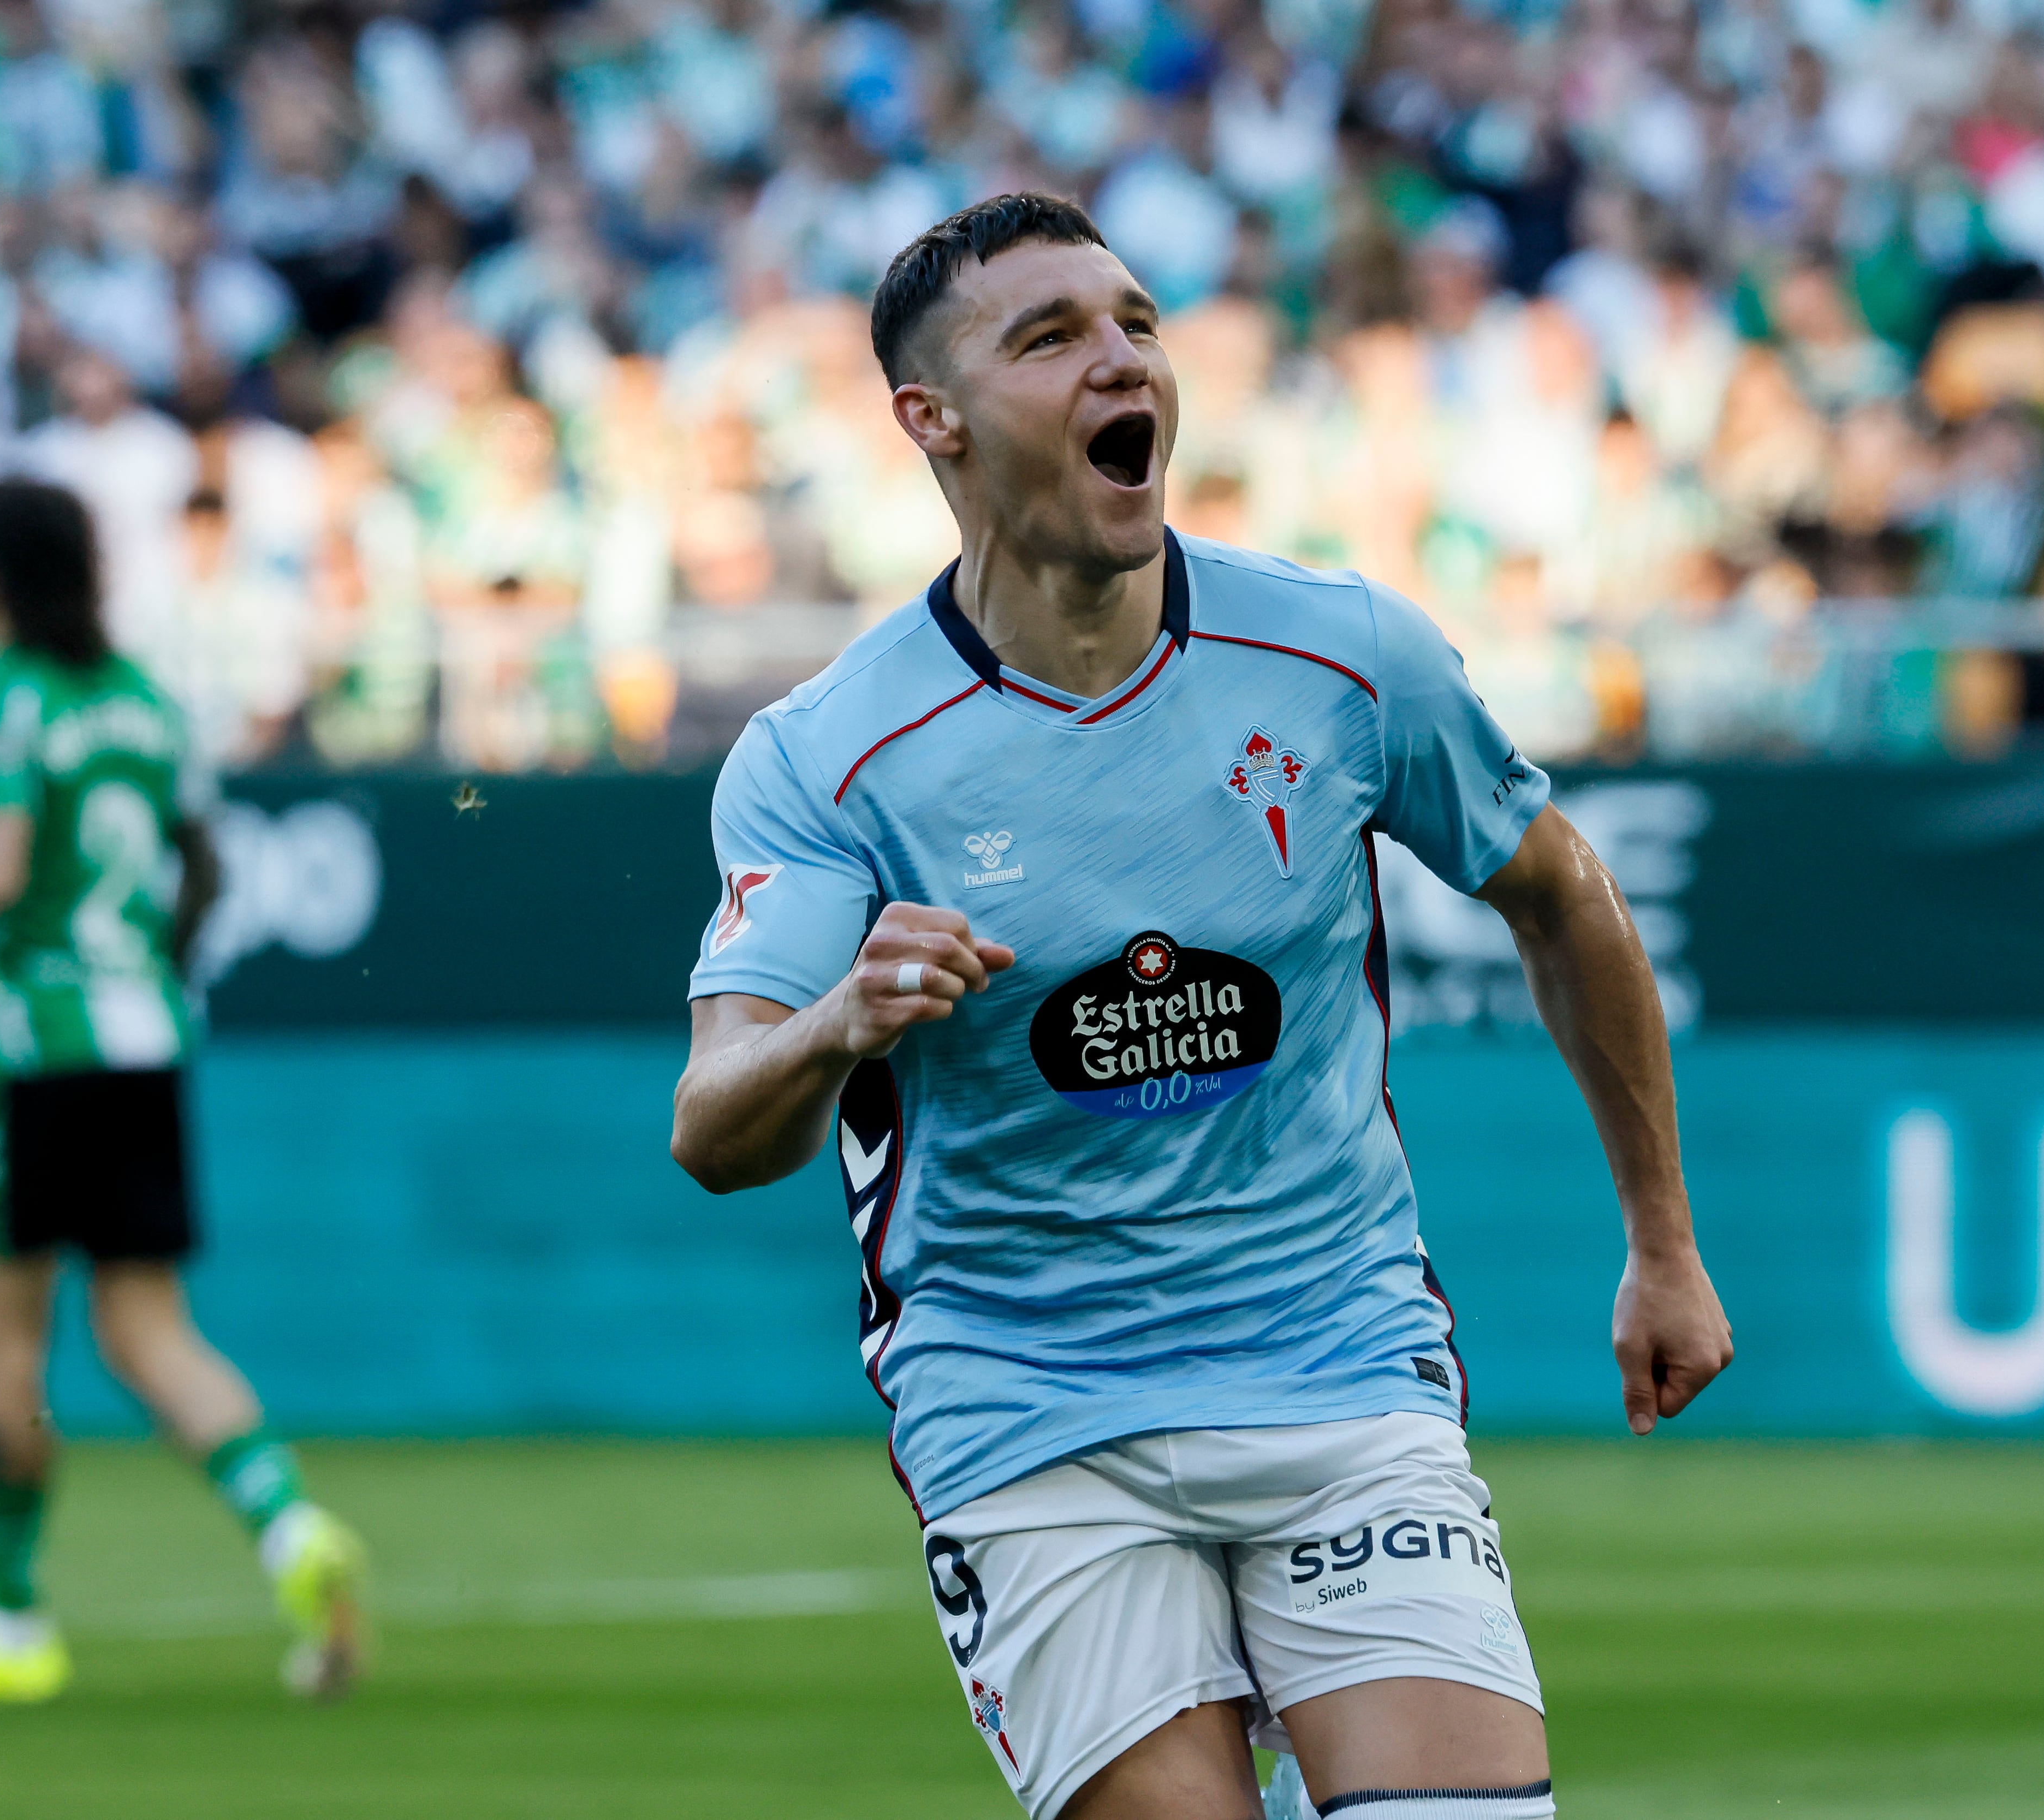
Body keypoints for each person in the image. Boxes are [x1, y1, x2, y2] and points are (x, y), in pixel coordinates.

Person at [669, 195, 1732, 1820]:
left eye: (1137, 324)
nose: (1122, 360)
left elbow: (1560, 894)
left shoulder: (1342, 656)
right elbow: (716, 1126)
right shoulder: (830, 756)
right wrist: (837, 1021)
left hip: (1338, 1360)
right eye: (1052, 337)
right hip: (1025, 1406)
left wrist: (1663, 1240)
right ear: (929, 419)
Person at [0, 479, 366, 1710]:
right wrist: (159, 969)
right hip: (143, 1043)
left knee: (6, 1358)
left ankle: (10, 1622)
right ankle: (292, 1527)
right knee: (147, 1328)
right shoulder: (142, 702)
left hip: (24, 1051)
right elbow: (203, 865)